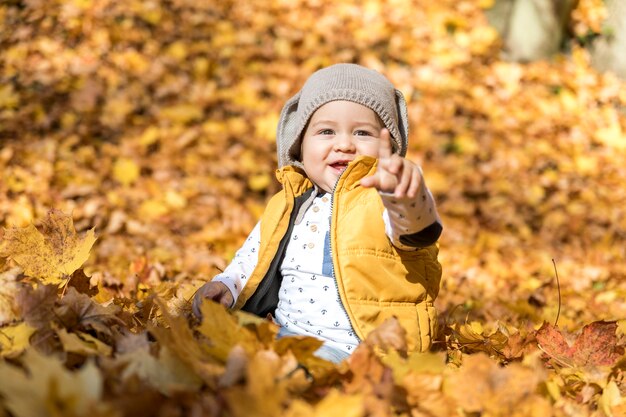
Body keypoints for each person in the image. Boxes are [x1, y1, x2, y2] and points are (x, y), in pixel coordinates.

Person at [192, 63, 442, 363]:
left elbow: (415, 228)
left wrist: (405, 193)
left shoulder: (383, 201)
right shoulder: (288, 204)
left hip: (360, 349)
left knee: (286, 371)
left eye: (362, 132)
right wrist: (228, 285)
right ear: (299, 146)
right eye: (326, 131)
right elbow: (253, 259)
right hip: (283, 332)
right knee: (212, 349)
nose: (345, 144)